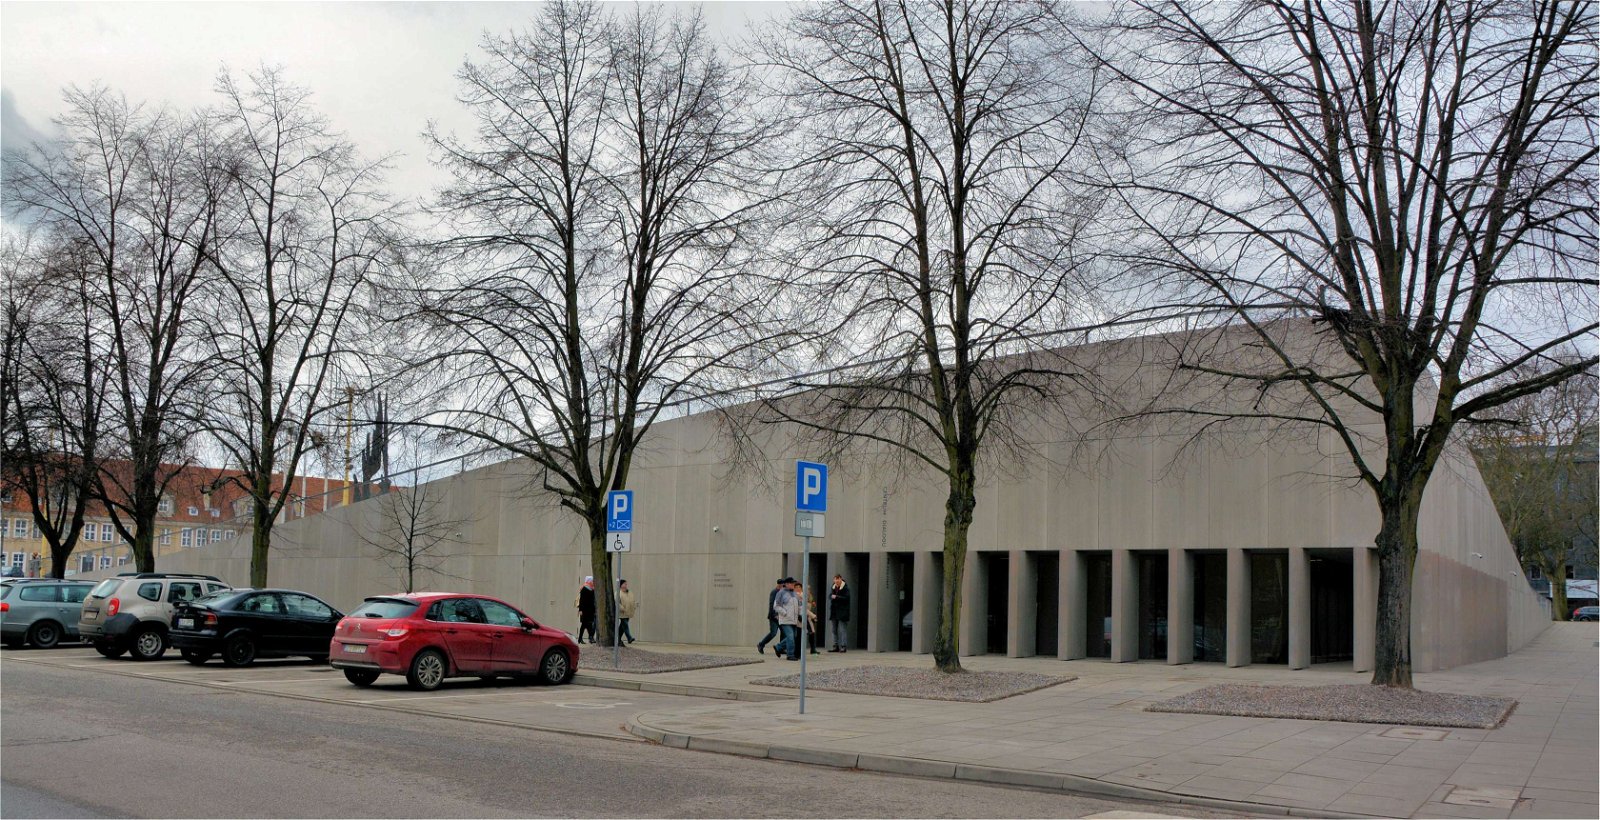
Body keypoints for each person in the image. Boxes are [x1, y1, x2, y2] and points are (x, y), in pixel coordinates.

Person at [774, 577, 802, 661]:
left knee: (793, 637)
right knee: (790, 637)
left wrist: (800, 614)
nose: (793, 585)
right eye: (792, 583)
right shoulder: (781, 593)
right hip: (785, 619)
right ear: (786, 584)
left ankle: (778, 647)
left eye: (794, 583)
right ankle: (790, 655)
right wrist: (784, 613)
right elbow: (776, 606)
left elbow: (799, 605)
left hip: (794, 620)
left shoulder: (795, 593)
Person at [756, 578, 784, 655]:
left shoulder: (782, 592)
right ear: (779, 585)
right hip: (774, 617)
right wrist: (774, 615)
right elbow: (772, 604)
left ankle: (781, 648)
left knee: (784, 632)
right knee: (773, 633)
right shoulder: (774, 592)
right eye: (782, 585)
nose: (783, 586)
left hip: (781, 616)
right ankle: (761, 644)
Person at [828, 574, 851, 652]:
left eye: (838, 580)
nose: (836, 581)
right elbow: (830, 595)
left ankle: (843, 646)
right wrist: (832, 596)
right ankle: (835, 646)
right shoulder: (833, 587)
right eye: (835, 580)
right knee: (834, 629)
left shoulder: (845, 588)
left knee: (842, 629)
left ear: (841, 579)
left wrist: (837, 597)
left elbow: (847, 598)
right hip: (834, 611)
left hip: (842, 611)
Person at [576, 576, 597, 644]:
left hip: (591, 610)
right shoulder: (584, 589)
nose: (593, 582)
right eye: (592, 581)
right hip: (585, 610)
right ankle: (586, 638)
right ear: (589, 581)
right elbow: (581, 600)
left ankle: (586, 638)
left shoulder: (592, 589)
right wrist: (580, 610)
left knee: (588, 625)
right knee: (585, 625)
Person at [617, 579, 637, 645]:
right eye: (624, 584)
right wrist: (622, 608)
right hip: (622, 612)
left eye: (626, 584)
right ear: (621, 585)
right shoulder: (618, 593)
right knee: (625, 625)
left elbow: (632, 600)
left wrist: (634, 605)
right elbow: (617, 603)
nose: (626, 585)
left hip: (628, 611)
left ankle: (618, 639)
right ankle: (629, 638)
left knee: (622, 627)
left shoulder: (629, 592)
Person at [804, 584, 821, 655]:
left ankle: (813, 649)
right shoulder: (803, 597)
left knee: (812, 633)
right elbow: (805, 609)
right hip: (805, 618)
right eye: (807, 589)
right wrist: (813, 616)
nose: (808, 591)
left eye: (809, 589)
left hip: (809, 618)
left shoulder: (809, 597)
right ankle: (780, 647)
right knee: (810, 633)